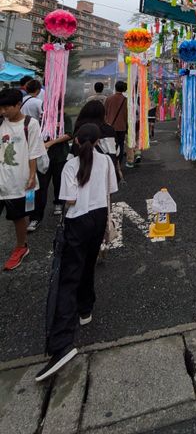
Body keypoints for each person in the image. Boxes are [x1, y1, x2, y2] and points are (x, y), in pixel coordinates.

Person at [35, 123, 118, 381]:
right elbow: (110, 191)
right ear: (96, 142)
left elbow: (67, 199)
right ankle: (85, 309)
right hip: (98, 217)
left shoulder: (71, 165)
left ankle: (62, 344)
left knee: (68, 276)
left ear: (78, 140)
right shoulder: (104, 161)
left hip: (77, 219)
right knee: (87, 265)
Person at [0, 88, 47, 270]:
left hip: (19, 180)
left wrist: (32, 176)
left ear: (18, 105)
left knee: (19, 217)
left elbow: (34, 151)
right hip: (1, 178)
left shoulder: (30, 123)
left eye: (6, 108)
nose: (3, 112)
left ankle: (21, 247)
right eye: (1, 108)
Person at [27, 111, 73, 230]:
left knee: (59, 182)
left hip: (60, 157)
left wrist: (51, 143)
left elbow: (69, 134)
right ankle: (35, 218)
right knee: (41, 188)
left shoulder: (64, 117)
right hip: (43, 159)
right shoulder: (40, 119)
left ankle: (58, 203)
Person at [72, 101, 121, 179]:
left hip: (81, 173)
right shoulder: (107, 130)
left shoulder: (79, 130)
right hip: (103, 173)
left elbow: (73, 153)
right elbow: (114, 152)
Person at [104, 81, 127, 164]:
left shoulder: (108, 99)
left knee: (110, 146)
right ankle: (119, 164)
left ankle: (111, 164)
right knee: (120, 145)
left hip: (110, 127)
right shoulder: (126, 100)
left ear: (115, 87)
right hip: (122, 127)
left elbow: (105, 113)